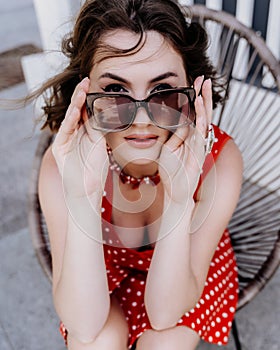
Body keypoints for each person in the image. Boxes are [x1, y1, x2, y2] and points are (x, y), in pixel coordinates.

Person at [35, 0, 243, 349]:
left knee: (165, 343)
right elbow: (84, 327)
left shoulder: (220, 162)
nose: (142, 119)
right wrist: (82, 196)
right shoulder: (64, 165)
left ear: (192, 92)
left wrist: (180, 199)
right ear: (84, 94)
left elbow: (165, 315)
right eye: (116, 91)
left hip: (188, 270)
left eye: (163, 91)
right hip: (101, 264)